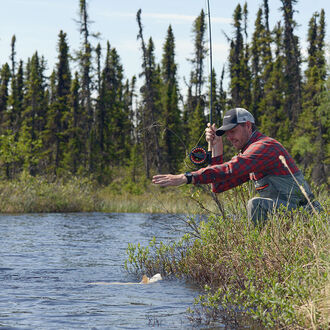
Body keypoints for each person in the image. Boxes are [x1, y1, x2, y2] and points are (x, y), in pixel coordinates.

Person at [152, 108, 322, 224]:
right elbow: (218, 186)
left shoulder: (264, 147)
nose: (230, 137)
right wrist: (217, 148)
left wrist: (186, 177)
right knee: (257, 204)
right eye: (226, 134)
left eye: (232, 131)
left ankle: (258, 255)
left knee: (256, 204)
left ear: (247, 126)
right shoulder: (249, 154)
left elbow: (231, 168)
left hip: (308, 215)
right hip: (292, 215)